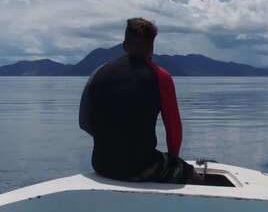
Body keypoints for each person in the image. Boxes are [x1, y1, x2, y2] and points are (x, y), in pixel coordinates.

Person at [79, 18, 197, 184]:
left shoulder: (99, 73)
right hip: (142, 167)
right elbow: (173, 128)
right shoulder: (161, 77)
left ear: (124, 45)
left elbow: (84, 122)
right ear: (152, 48)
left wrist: (112, 142)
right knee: (192, 175)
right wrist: (174, 161)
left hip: (102, 164)